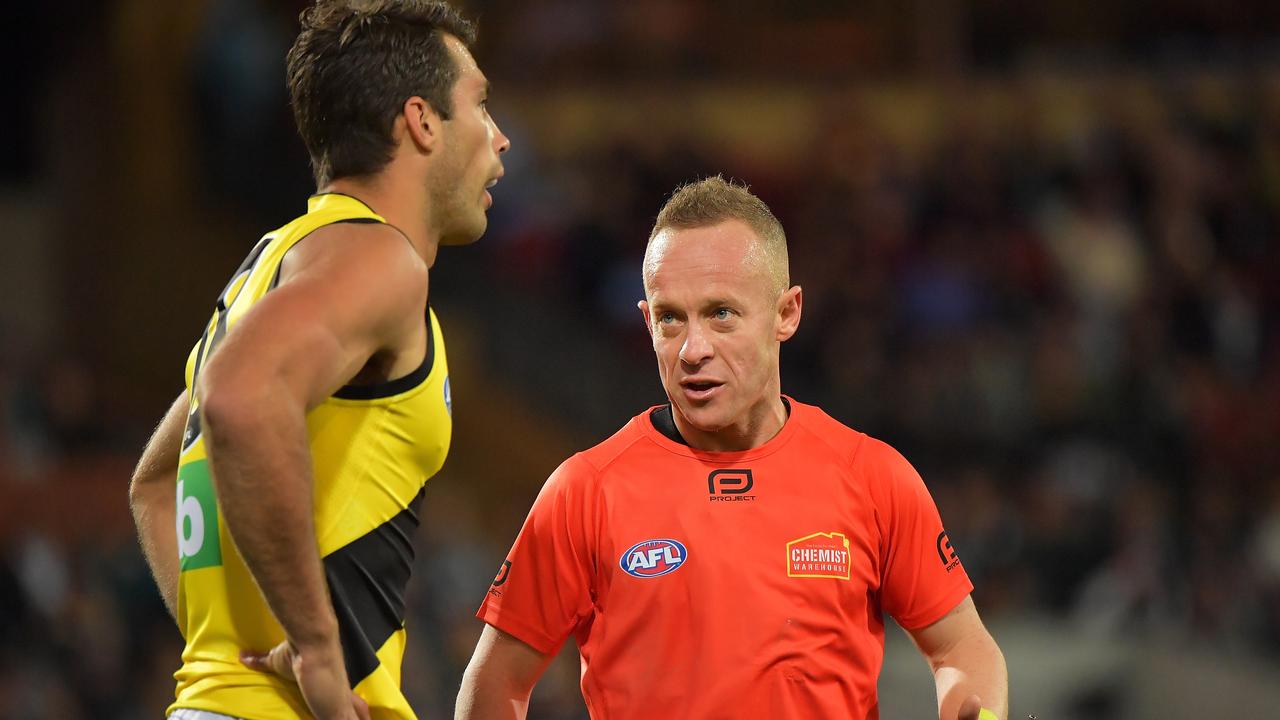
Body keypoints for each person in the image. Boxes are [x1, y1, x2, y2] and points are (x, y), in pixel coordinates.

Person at [455, 177, 1007, 720]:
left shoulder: (872, 477)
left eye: (721, 313)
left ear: (786, 314)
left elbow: (961, 648)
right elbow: (497, 679)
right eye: (671, 318)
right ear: (646, 322)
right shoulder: (585, 491)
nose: (693, 350)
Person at [128, 1, 509, 718]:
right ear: (422, 121)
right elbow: (239, 397)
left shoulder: (277, 269)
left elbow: (154, 485)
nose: (501, 138)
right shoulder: (377, 257)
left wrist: (231, 665)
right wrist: (316, 650)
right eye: (481, 105)